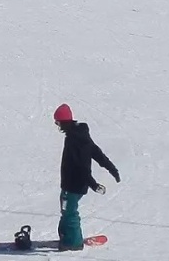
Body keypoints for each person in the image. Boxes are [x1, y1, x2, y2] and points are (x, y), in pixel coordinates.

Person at [53, 103, 120, 251]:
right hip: (71, 184)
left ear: (63, 122)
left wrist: (93, 184)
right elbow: (97, 153)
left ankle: (74, 242)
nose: (57, 125)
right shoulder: (79, 135)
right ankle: (66, 236)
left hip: (74, 184)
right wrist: (112, 169)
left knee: (70, 212)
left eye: (57, 122)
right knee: (66, 210)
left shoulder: (75, 139)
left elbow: (81, 166)